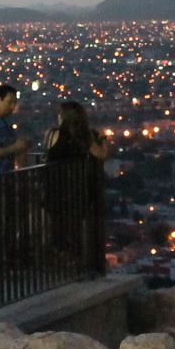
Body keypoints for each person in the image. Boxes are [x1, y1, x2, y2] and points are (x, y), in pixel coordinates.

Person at [44, 99, 108, 259]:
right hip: (77, 187)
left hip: (54, 185)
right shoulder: (86, 136)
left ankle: (60, 257)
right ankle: (77, 261)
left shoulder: (52, 134)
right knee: (76, 227)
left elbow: (48, 151)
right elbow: (101, 154)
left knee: (58, 226)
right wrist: (103, 140)